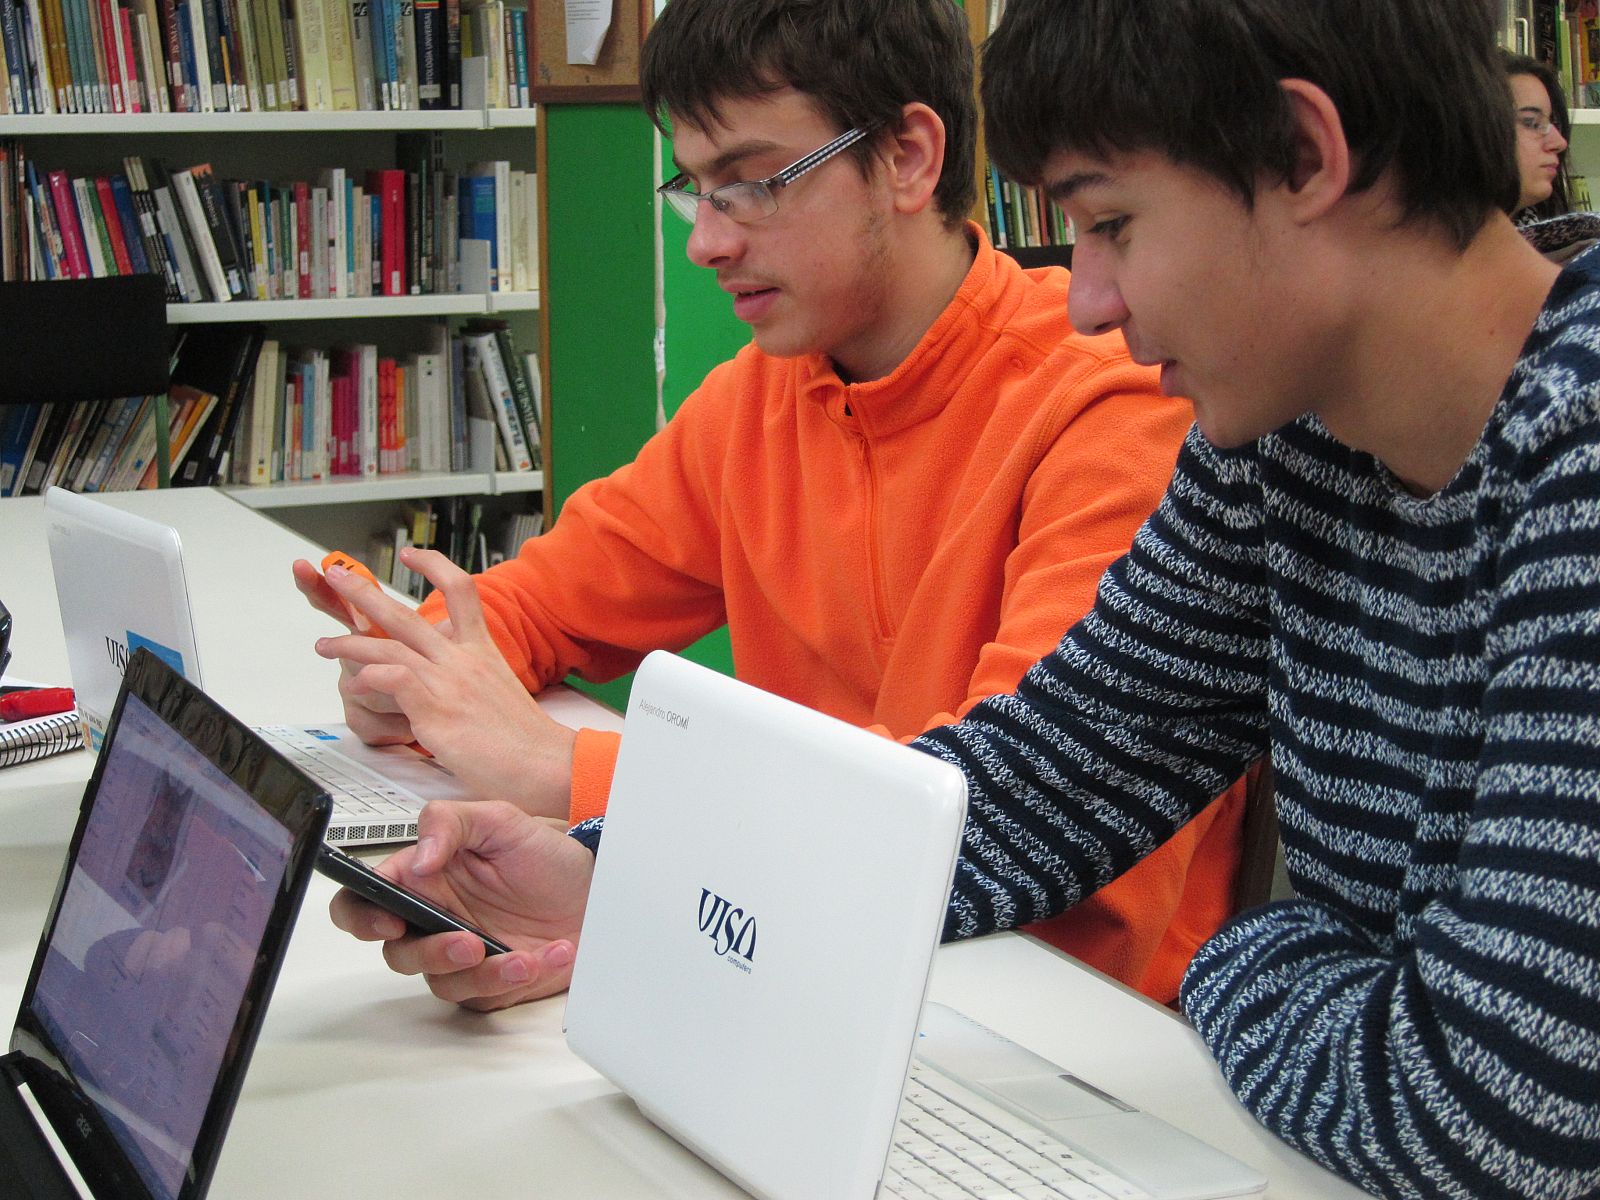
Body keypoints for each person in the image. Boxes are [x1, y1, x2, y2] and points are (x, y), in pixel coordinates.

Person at [329, 0, 1600, 1196]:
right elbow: (1038, 780)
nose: (1092, 303)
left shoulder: (1576, 455)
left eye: (1111, 224)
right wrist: (621, 884)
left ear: (1306, 156)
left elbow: (1488, 1110)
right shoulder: (1284, 445)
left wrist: (1245, 954)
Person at [301, 0, 1250, 1005]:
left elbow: (1014, 819)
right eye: (694, 190)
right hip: (783, 934)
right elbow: (538, 606)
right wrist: (426, 669)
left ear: (906, 157)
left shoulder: (1112, 412)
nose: (705, 242)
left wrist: (566, 773)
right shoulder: (762, 394)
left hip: (1034, 1010)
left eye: (750, 184)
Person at [1505, 51, 1572, 221]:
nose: (1560, 142)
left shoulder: (1562, 241)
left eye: (1554, 124)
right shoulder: (1434, 243)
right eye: (1532, 123)